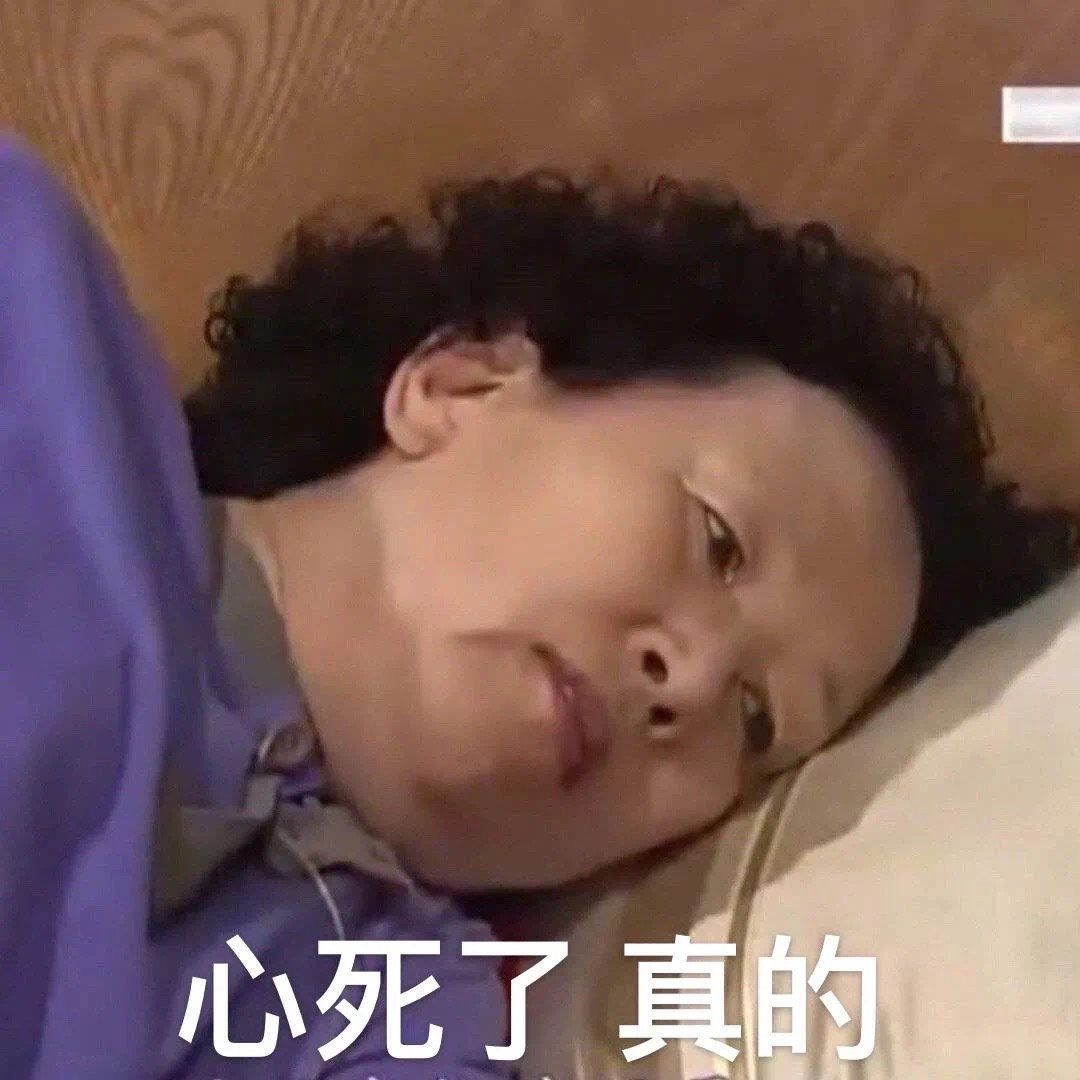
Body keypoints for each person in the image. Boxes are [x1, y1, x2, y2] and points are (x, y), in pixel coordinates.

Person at [1, 135, 1075, 1079]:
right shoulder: (31, 319)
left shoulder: (385, 1026)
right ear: (461, 384)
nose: (695, 680)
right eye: (716, 540)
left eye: (758, 723)